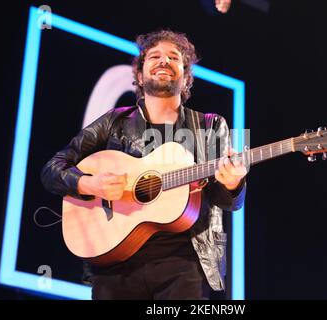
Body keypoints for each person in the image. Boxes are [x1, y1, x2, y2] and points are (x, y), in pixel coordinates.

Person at [41, 30, 247, 300]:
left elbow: (228, 201)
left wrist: (234, 183)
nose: (164, 61)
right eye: (155, 56)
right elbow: (52, 169)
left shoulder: (209, 126)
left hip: (185, 264)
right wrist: (88, 183)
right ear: (139, 75)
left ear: (186, 78)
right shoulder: (114, 122)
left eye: (174, 58)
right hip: (115, 263)